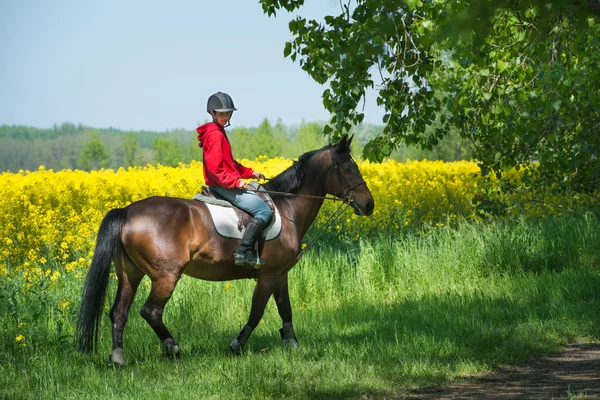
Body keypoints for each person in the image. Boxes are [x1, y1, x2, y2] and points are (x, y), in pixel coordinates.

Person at [196, 92, 272, 267]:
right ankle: (243, 252)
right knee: (264, 211)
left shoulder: (219, 131)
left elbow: (229, 164)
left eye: (228, 113)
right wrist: (236, 182)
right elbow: (215, 170)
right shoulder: (215, 134)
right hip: (223, 186)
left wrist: (250, 173)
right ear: (212, 113)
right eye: (221, 114)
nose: (225, 117)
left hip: (225, 184)